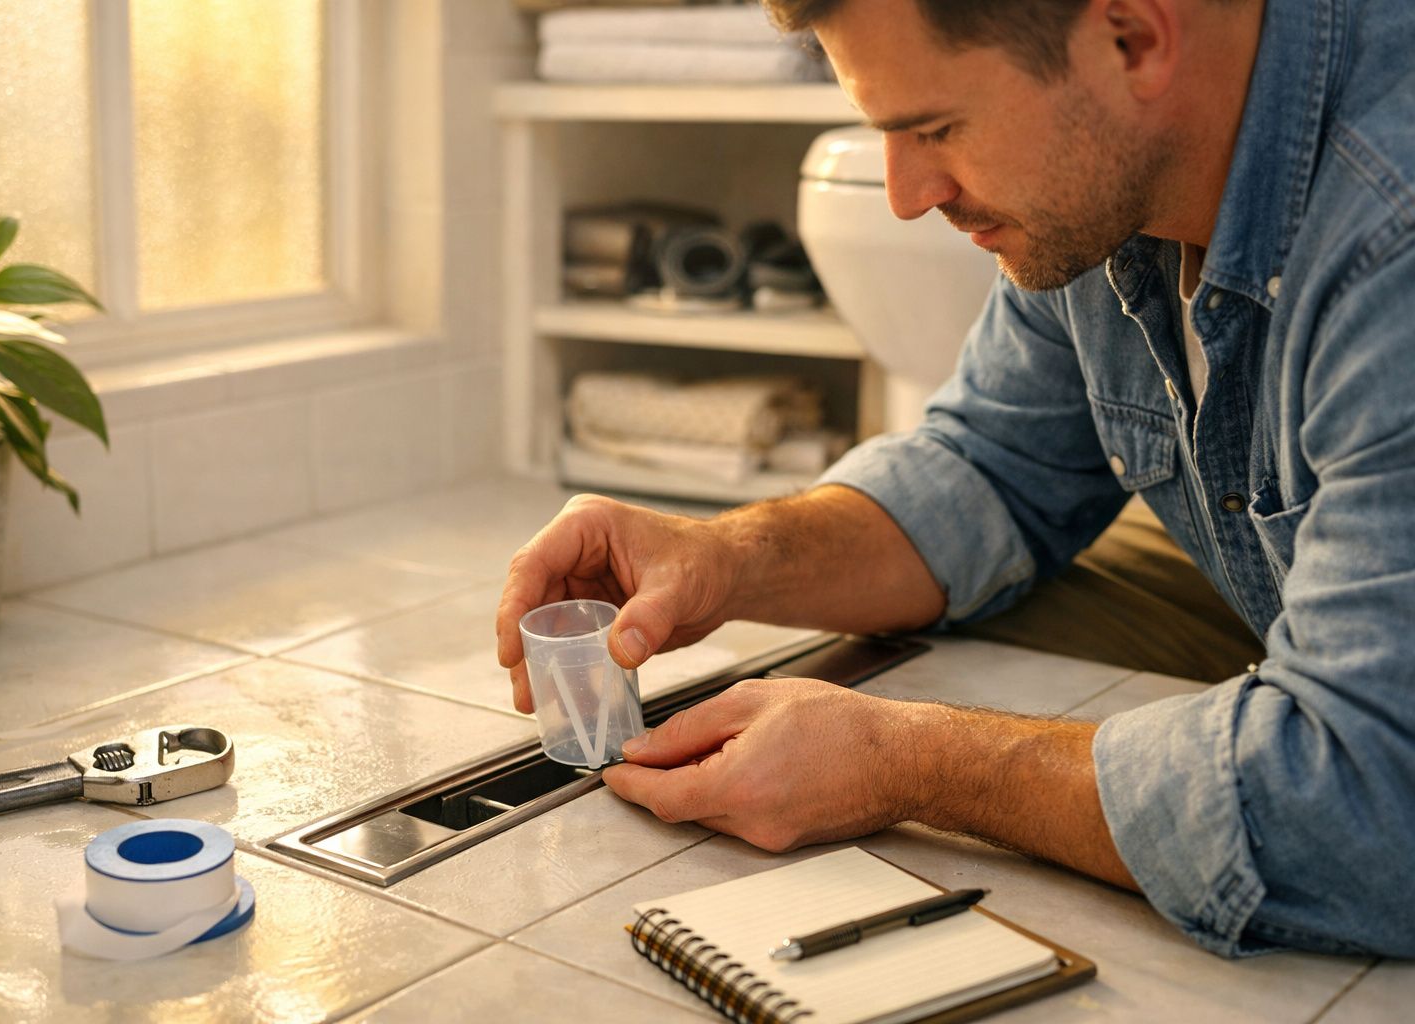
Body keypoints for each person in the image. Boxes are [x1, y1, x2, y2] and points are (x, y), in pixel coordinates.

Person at [496, 0, 1415, 959]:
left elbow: (1375, 802)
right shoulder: (1109, 189)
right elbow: (987, 464)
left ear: (1134, 37)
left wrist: (913, 763)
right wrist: (722, 556)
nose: (904, 194)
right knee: (913, 644)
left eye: (935, 128)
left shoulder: (1390, 228)